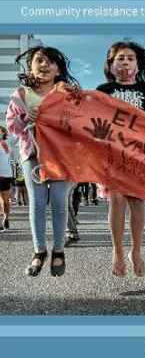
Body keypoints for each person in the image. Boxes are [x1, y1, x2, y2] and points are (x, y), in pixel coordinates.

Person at [96, 39, 145, 277]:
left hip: (139, 152)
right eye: (120, 58)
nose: (125, 61)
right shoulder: (102, 91)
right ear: (110, 63)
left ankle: (136, 251)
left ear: (137, 63)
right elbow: (89, 120)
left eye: (130, 58)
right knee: (117, 200)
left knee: (138, 202)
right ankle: (117, 251)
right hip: (113, 152)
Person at [6, 46, 78, 276]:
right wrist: (25, 117)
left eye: (50, 62)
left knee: (59, 203)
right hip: (32, 154)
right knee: (36, 204)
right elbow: (11, 126)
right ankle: (39, 251)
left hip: (62, 155)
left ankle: (58, 250)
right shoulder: (22, 94)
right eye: (39, 61)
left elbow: (80, 122)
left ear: (58, 69)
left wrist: (77, 100)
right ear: (31, 66)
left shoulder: (67, 93)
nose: (44, 65)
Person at [0, 126, 14, 232]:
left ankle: (6, 218)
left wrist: (6, 132)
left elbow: (17, 135)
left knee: (5, 200)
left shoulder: (8, 142)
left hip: (5, 175)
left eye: (1, 131)